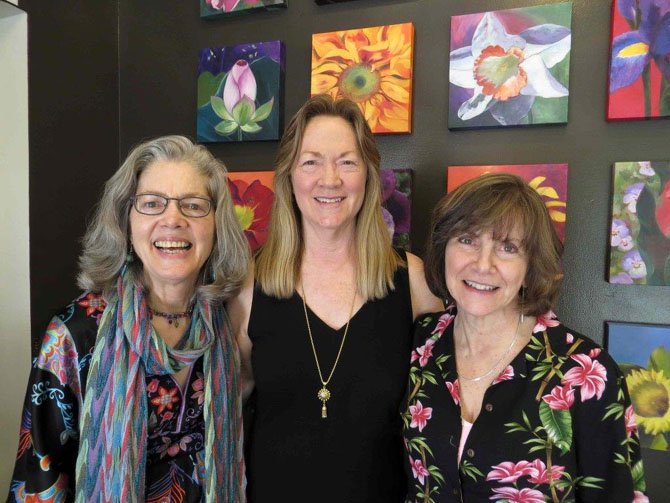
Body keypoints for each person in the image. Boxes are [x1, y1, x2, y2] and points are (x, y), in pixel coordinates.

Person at [7, 136, 249, 502]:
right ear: (126, 221)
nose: (173, 219)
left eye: (193, 205)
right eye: (152, 204)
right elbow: (38, 479)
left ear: (216, 225)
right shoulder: (74, 334)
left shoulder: (229, 323)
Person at [229, 95, 443, 502]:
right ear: (289, 177)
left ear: (369, 176)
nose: (330, 179)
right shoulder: (247, 286)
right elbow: (228, 412)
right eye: (311, 161)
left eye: (347, 161)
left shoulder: (413, 282)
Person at [402, 173, 648, 502]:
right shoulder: (420, 344)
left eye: (507, 247)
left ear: (530, 265)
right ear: (443, 247)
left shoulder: (586, 372)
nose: (482, 264)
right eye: (467, 240)